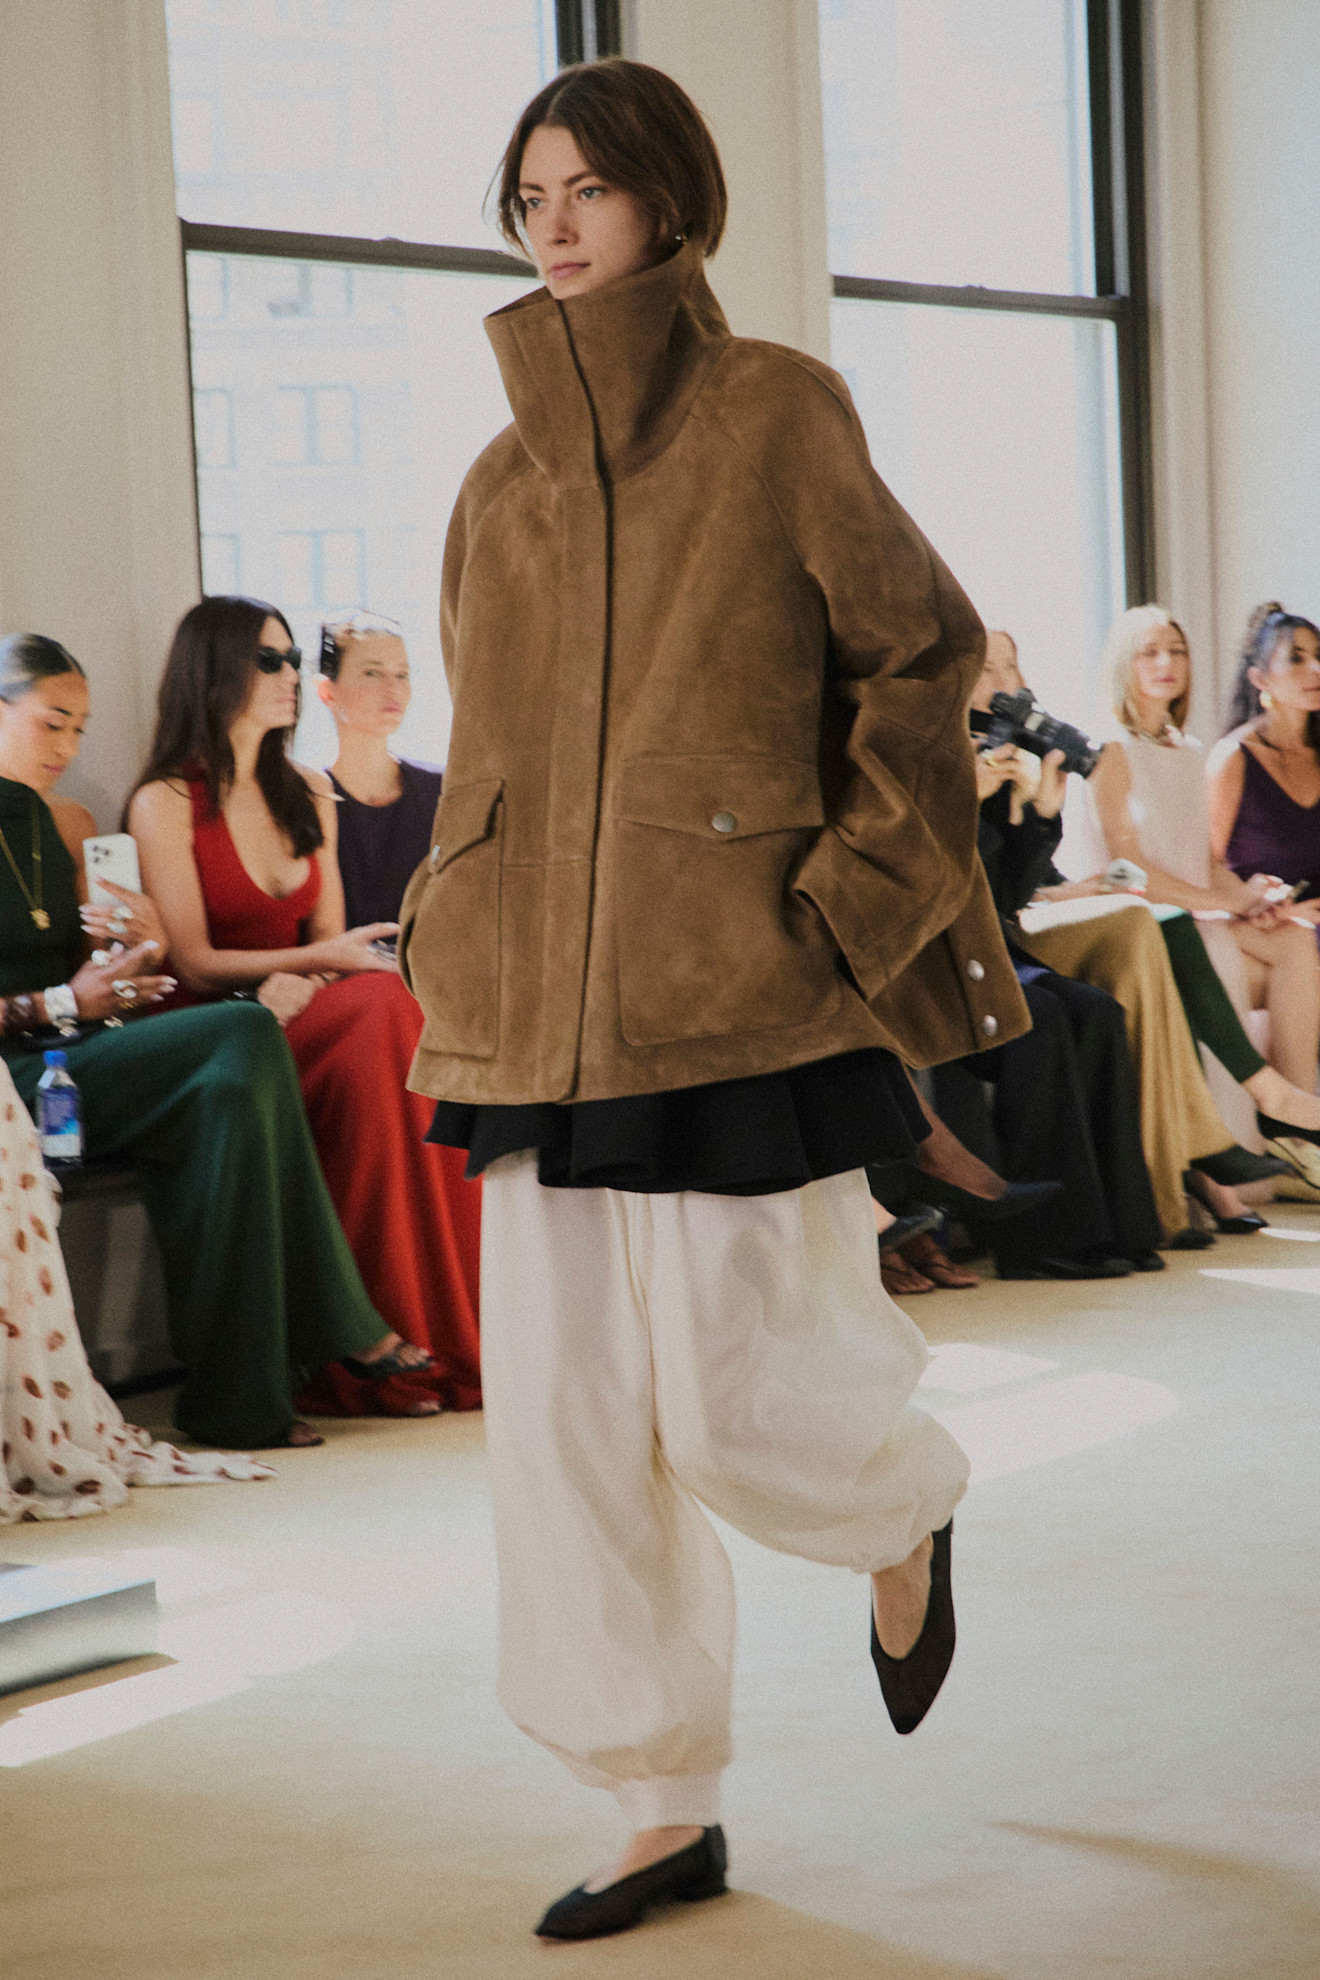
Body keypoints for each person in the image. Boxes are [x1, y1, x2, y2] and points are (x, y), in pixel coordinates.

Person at [402, 59, 1029, 1942]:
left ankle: (901, 1505)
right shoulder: (495, 485)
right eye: (530, 196)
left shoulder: (775, 410)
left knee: (746, 1397)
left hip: (738, 988)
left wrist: (842, 904)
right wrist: (452, 924)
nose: (556, 224)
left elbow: (921, 657)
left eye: (588, 189)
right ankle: (654, 1801)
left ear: (670, 200)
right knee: (567, 1435)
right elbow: (485, 749)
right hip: (532, 1009)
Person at [0, 632, 415, 1451]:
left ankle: (240, 1403)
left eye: (80, 728)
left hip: (74, 1058)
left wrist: (139, 948)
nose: (68, 747)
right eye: (51, 723)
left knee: (234, 1069)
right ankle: (336, 1319)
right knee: (239, 1041)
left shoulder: (69, 823)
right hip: (13, 1077)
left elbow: (104, 970)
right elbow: (65, 995)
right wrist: (62, 999)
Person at [125, 597, 482, 1415]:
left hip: (304, 1008)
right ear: (213, 671)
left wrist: (310, 978)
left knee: (394, 1017)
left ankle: (440, 1339)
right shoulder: (165, 800)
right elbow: (193, 960)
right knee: (382, 1017)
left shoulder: (309, 792)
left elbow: (333, 942)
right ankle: (371, 1351)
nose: (288, 675)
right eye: (269, 660)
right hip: (211, 1028)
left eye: (290, 659)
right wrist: (302, 971)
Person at [1083, 605, 1320, 1188]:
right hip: (1144, 922)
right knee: (1235, 946)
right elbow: (1125, 869)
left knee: (1295, 940)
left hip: (1197, 912)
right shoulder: (1111, 750)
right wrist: (1224, 903)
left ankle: (1295, 1128)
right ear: (1124, 665)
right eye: (1150, 652)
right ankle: (1271, 1123)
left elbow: (1207, 857)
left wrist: (1251, 895)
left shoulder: (1189, 750)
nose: (1167, 663)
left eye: (1178, 651)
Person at [0, 1054, 277, 1519]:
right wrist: (59, 1011)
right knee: (241, 1043)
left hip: (80, 1036)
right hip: (39, 1041)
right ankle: (255, 1392)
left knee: (239, 1076)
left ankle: (257, 1389)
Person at [317, 612, 446, 926]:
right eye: (372, 673)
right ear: (327, 691)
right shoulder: (308, 799)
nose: (393, 689)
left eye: (402, 674)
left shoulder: (441, 790)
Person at [1208, 600, 1320, 898]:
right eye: (1296, 658)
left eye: (1319, 656)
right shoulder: (1233, 756)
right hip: (1267, 919)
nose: (1316, 668)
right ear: (1261, 679)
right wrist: (1266, 905)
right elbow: (1207, 867)